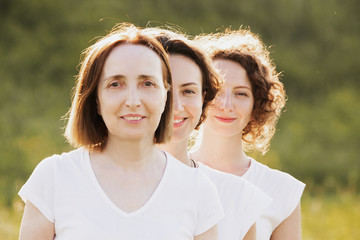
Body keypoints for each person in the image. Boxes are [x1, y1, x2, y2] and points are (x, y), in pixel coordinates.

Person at [18, 23, 224, 240]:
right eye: (115, 84)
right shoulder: (54, 177)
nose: (133, 101)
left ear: (166, 97)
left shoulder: (198, 190)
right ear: (95, 99)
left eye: (147, 83)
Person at [147, 28, 272, 240]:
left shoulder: (238, 197)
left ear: (204, 98)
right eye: (163, 90)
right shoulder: (89, 178)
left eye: (188, 91)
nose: (176, 106)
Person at [192, 28, 306, 240]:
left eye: (241, 94)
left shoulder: (282, 190)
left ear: (257, 104)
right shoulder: (166, 170)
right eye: (217, 91)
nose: (226, 105)